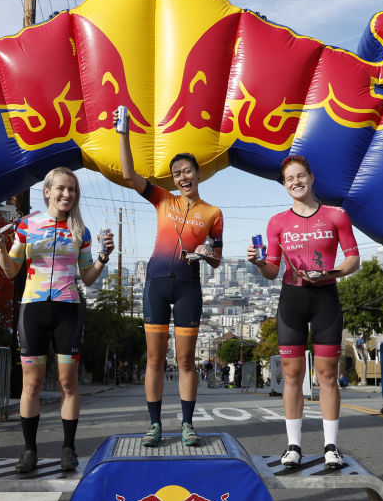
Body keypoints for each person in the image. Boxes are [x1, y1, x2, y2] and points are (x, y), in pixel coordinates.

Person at [0, 167, 114, 473]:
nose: (66, 194)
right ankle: (29, 451)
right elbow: (10, 271)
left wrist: (102, 258)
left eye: (72, 189)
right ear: (47, 191)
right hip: (32, 307)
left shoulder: (80, 231)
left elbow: (87, 278)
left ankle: (68, 449)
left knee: (68, 383)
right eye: (61, 188)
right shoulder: (27, 225)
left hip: (68, 309)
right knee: (30, 385)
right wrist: (2, 248)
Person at [116, 109, 222, 447]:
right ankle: (154, 425)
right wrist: (124, 134)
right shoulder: (163, 199)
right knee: (154, 359)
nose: (182, 177)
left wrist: (206, 253)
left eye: (187, 171)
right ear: (173, 179)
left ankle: (188, 424)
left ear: (198, 173)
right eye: (177, 173)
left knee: (187, 360)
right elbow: (129, 174)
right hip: (156, 285)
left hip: (189, 286)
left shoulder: (212, 213)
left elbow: (217, 260)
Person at [247, 155, 360, 469]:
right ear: (284, 185)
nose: (295, 182)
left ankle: (331, 447)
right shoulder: (278, 222)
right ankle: (293, 446)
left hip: (326, 298)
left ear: (311, 177)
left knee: (327, 376)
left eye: (300, 176)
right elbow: (271, 270)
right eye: (288, 179)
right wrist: (258, 262)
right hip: (292, 301)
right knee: (293, 376)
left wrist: (330, 274)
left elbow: (354, 259)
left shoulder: (337, 215)